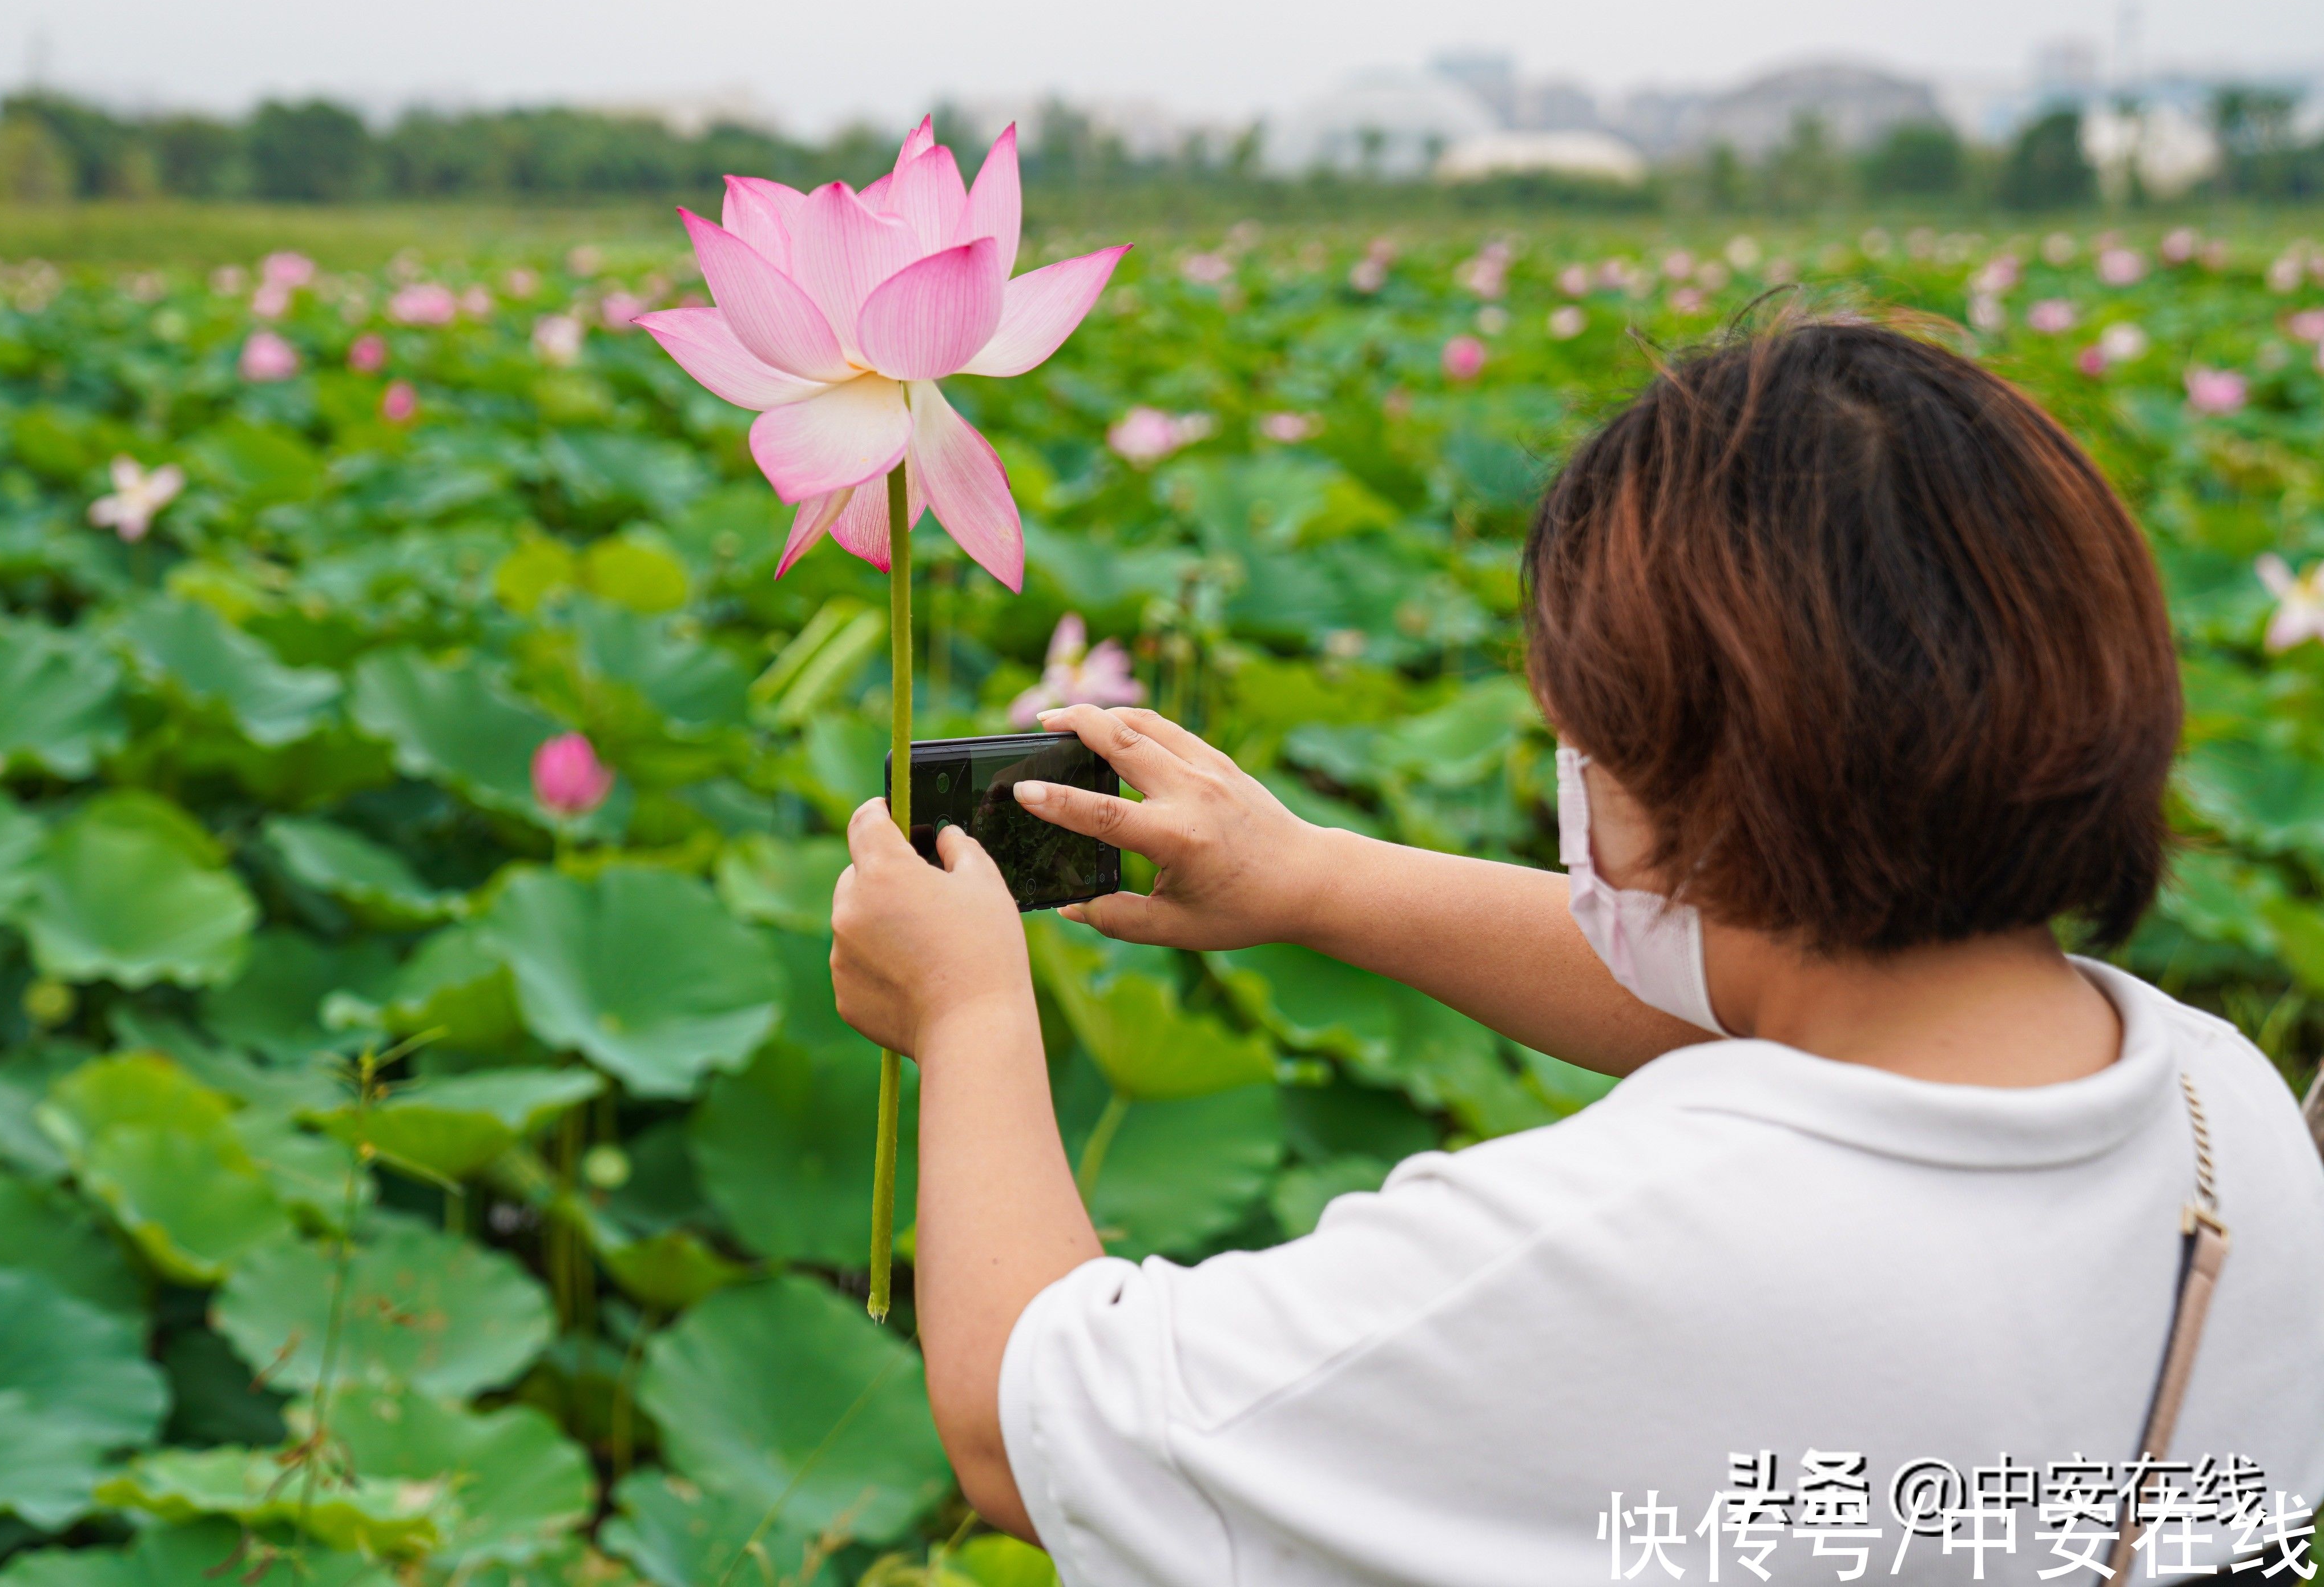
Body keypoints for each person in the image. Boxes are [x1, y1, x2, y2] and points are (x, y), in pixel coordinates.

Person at [828, 316, 2324, 1584]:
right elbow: (1786, 1022)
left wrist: (968, 1016)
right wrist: (1314, 880)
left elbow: (1037, 1422)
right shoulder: (2229, 1109)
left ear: (1684, 770)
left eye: (1581, 738)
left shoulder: (1619, 1253)